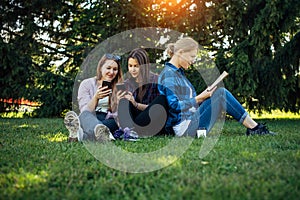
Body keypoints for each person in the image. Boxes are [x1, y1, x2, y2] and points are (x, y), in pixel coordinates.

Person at [158, 37, 276, 137]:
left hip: (192, 121)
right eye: (192, 56)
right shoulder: (169, 74)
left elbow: (189, 105)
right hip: (185, 129)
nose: (193, 61)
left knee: (219, 93)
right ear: (181, 52)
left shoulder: (179, 74)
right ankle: (255, 128)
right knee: (221, 94)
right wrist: (200, 98)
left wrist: (204, 97)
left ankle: (254, 127)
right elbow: (174, 107)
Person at [64, 54, 123, 142]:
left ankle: (80, 135)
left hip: (109, 119)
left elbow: (121, 115)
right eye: (108, 68)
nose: (111, 72)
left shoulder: (120, 86)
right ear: (100, 68)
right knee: (85, 116)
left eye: (115, 69)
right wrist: (96, 98)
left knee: (111, 123)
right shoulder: (86, 84)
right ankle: (106, 134)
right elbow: (85, 110)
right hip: (90, 116)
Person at [116, 48, 168, 138]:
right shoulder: (127, 83)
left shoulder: (156, 80)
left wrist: (136, 104)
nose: (133, 69)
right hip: (133, 123)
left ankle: (132, 132)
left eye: (136, 66)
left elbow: (156, 109)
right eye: (130, 66)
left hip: (150, 121)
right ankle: (128, 132)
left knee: (162, 99)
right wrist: (119, 101)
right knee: (123, 100)